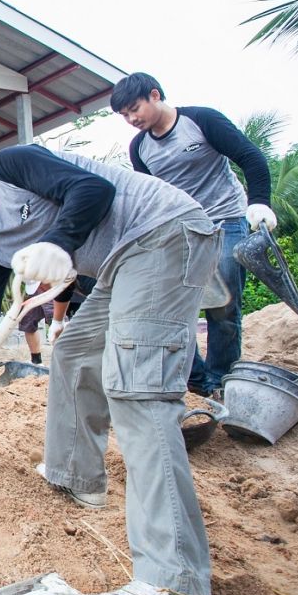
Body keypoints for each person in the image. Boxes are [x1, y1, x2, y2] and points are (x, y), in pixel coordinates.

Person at [0, 144, 220, 595]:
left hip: (163, 230)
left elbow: (93, 189)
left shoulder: (10, 168)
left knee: (137, 392)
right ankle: (78, 476)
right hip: (120, 263)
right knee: (73, 351)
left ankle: (174, 585)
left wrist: (57, 241)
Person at [110, 72, 274, 397]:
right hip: (182, 233)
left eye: (134, 109)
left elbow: (251, 157)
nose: (131, 119)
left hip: (226, 221)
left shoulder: (200, 120)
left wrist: (260, 204)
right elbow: (151, 198)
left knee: (224, 307)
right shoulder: (140, 148)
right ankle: (197, 380)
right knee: (175, 309)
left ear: (155, 95)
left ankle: (221, 382)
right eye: (124, 115)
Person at [19, 281, 54, 365]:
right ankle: (36, 360)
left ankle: (68, 362)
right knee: (28, 318)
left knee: (55, 318)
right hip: (35, 282)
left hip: (51, 282)